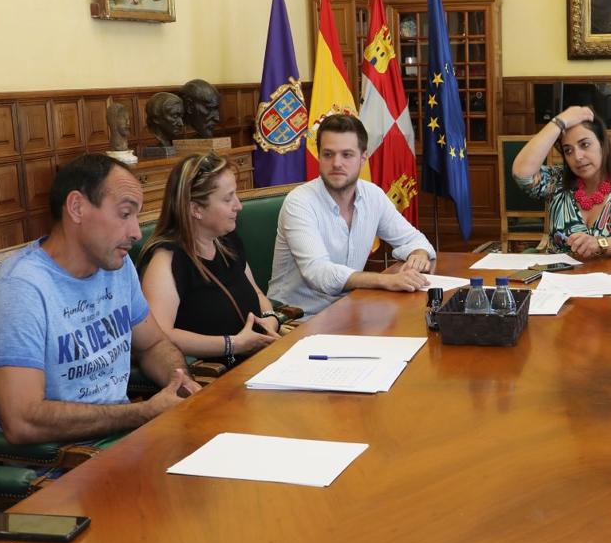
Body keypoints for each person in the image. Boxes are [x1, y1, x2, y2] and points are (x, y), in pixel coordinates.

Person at [0, 153, 200, 447]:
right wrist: (141, 412)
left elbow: (154, 344)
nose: (136, 232)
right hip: (65, 465)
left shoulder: (118, 268)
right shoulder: (22, 289)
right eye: (125, 214)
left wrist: (180, 382)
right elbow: (22, 420)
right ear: (77, 207)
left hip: (124, 442)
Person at [267, 114, 435, 318]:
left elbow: (415, 239)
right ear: (318, 156)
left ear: (363, 158)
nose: (336, 163)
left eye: (347, 155)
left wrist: (418, 254)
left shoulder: (372, 194)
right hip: (298, 318)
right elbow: (319, 273)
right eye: (328, 154)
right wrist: (386, 280)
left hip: (350, 309)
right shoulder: (300, 202)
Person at [139, 153, 280, 366]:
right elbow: (159, 336)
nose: (238, 206)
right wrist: (233, 344)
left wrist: (270, 319)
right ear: (196, 209)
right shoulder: (165, 261)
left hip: (257, 360)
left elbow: (257, 293)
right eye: (227, 198)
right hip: (214, 376)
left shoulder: (226, 241)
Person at [511, 105, 611, 260]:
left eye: (584, 144)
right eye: (568, 150)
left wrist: (600, 244)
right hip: (559, 279)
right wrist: (559, 122)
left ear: (602, 143)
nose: (577, 157)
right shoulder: (557, 182)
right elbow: (522, 174)